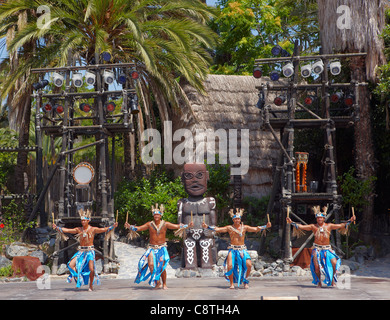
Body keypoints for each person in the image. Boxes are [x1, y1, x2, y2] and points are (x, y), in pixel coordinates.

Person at [125, 204, 193, 289]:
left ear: (160, 215)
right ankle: (158, 283)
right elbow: (139, 228)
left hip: (161, 248)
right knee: (151, 265)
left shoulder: (165, 224)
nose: (156, 216)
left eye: (158, 214)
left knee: (161, 267)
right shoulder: (149, 224)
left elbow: (177, 226)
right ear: (153, 215)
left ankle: (164, 283)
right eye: (155, 214)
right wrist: (130, 226)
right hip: (151, 248)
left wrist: (188, 226)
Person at [286, 205, 356, 287]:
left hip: (327, 249)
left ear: (324, 218)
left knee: (334, 263)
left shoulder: (329, 226)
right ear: (316, 219)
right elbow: (302, 227)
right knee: (316, 267)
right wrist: (291, 222)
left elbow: (341, 225)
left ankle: (332, 280)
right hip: (317, 249)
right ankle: (319, 282)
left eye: (321, 218)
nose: (319, 219)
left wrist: (350, 221)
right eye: (318, 218)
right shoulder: (313, 227)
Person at [202, 208, 271, 289]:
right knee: (230, 266)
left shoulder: (244, 227)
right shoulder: (229, 228)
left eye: (238, 219)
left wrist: (266, 226)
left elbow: (255, 229)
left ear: (240, 219)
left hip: (242, 249)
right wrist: (207, 227)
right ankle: (231, 284)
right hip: (233, 249)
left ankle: (244, 280)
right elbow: (218, 229)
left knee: (248, 265)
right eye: (235, 219)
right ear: (233, 220)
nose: (237, 220)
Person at [52, 209, 118, 291]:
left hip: (90, 252)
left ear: (88, 221)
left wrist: (113, 226)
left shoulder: (93, 229)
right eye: (82, 220)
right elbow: (68, 230)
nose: (82, 222)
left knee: (91, 269)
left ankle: (90, 286)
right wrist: (58, 228)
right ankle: (78, 278)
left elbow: (103, 230)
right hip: (81, 252)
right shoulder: (78, 229)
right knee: (71, 265)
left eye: (84, 220)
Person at [177, 163, 217, 269]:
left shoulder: (210, 201)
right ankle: (190, 267)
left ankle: (207, 266)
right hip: (189, 234)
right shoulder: (182, 202)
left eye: (200, 175)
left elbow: (213, 222)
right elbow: (180, 222)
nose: (194, 180)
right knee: (189, 244)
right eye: (188, 176)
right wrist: (184, 229)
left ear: (206, 176)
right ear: (182, 178)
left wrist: (211, 230)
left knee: (206, 244)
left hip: (205, 234)